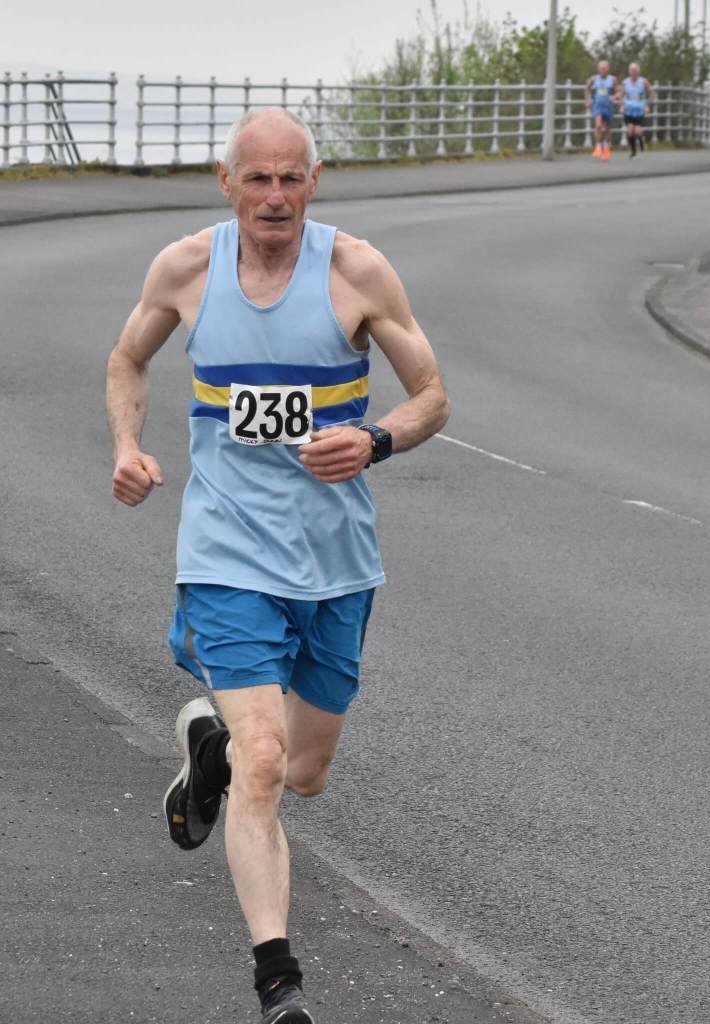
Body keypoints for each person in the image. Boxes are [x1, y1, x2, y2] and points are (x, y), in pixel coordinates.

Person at [105, 107, 450, 1024]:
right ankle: (278, 984)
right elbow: (127, 357)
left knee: (302, 772)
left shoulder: (356, 272)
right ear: (227, 183)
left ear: (314, 181)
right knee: (264, 765)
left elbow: (431, 396)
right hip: (225, 550)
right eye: (256, 179)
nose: (274, 197)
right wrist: (127, 447)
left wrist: (374, 439)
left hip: (335, 560)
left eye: (290, 178)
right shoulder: (186, 268)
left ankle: (209, 748)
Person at [585, 60, 618, 161]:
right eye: (601, 68)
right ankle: (598, 146)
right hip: (597, 105)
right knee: (598, 125)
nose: (603, 70)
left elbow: (619, 91)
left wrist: (615, 96)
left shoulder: (613, 79)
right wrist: (588, 99)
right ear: (598, 69)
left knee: (607, 129)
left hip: (608, 106)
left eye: (604, 68)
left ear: (608, 69)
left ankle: (606, 147)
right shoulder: (593, 79)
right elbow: (587, 89)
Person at [622, 63, 654, 157]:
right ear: (629, 72)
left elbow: (651, 93)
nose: (633, 72)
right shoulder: (625, 82)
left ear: (638, 71)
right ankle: (633, 150)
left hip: (639, 109)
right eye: (632, 71)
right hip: (628, 109)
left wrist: (647, 105)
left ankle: (641, 140)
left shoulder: (643, 82)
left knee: (637, 131)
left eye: (635, 70)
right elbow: (621, 94)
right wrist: (621, 105)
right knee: (630, 131)